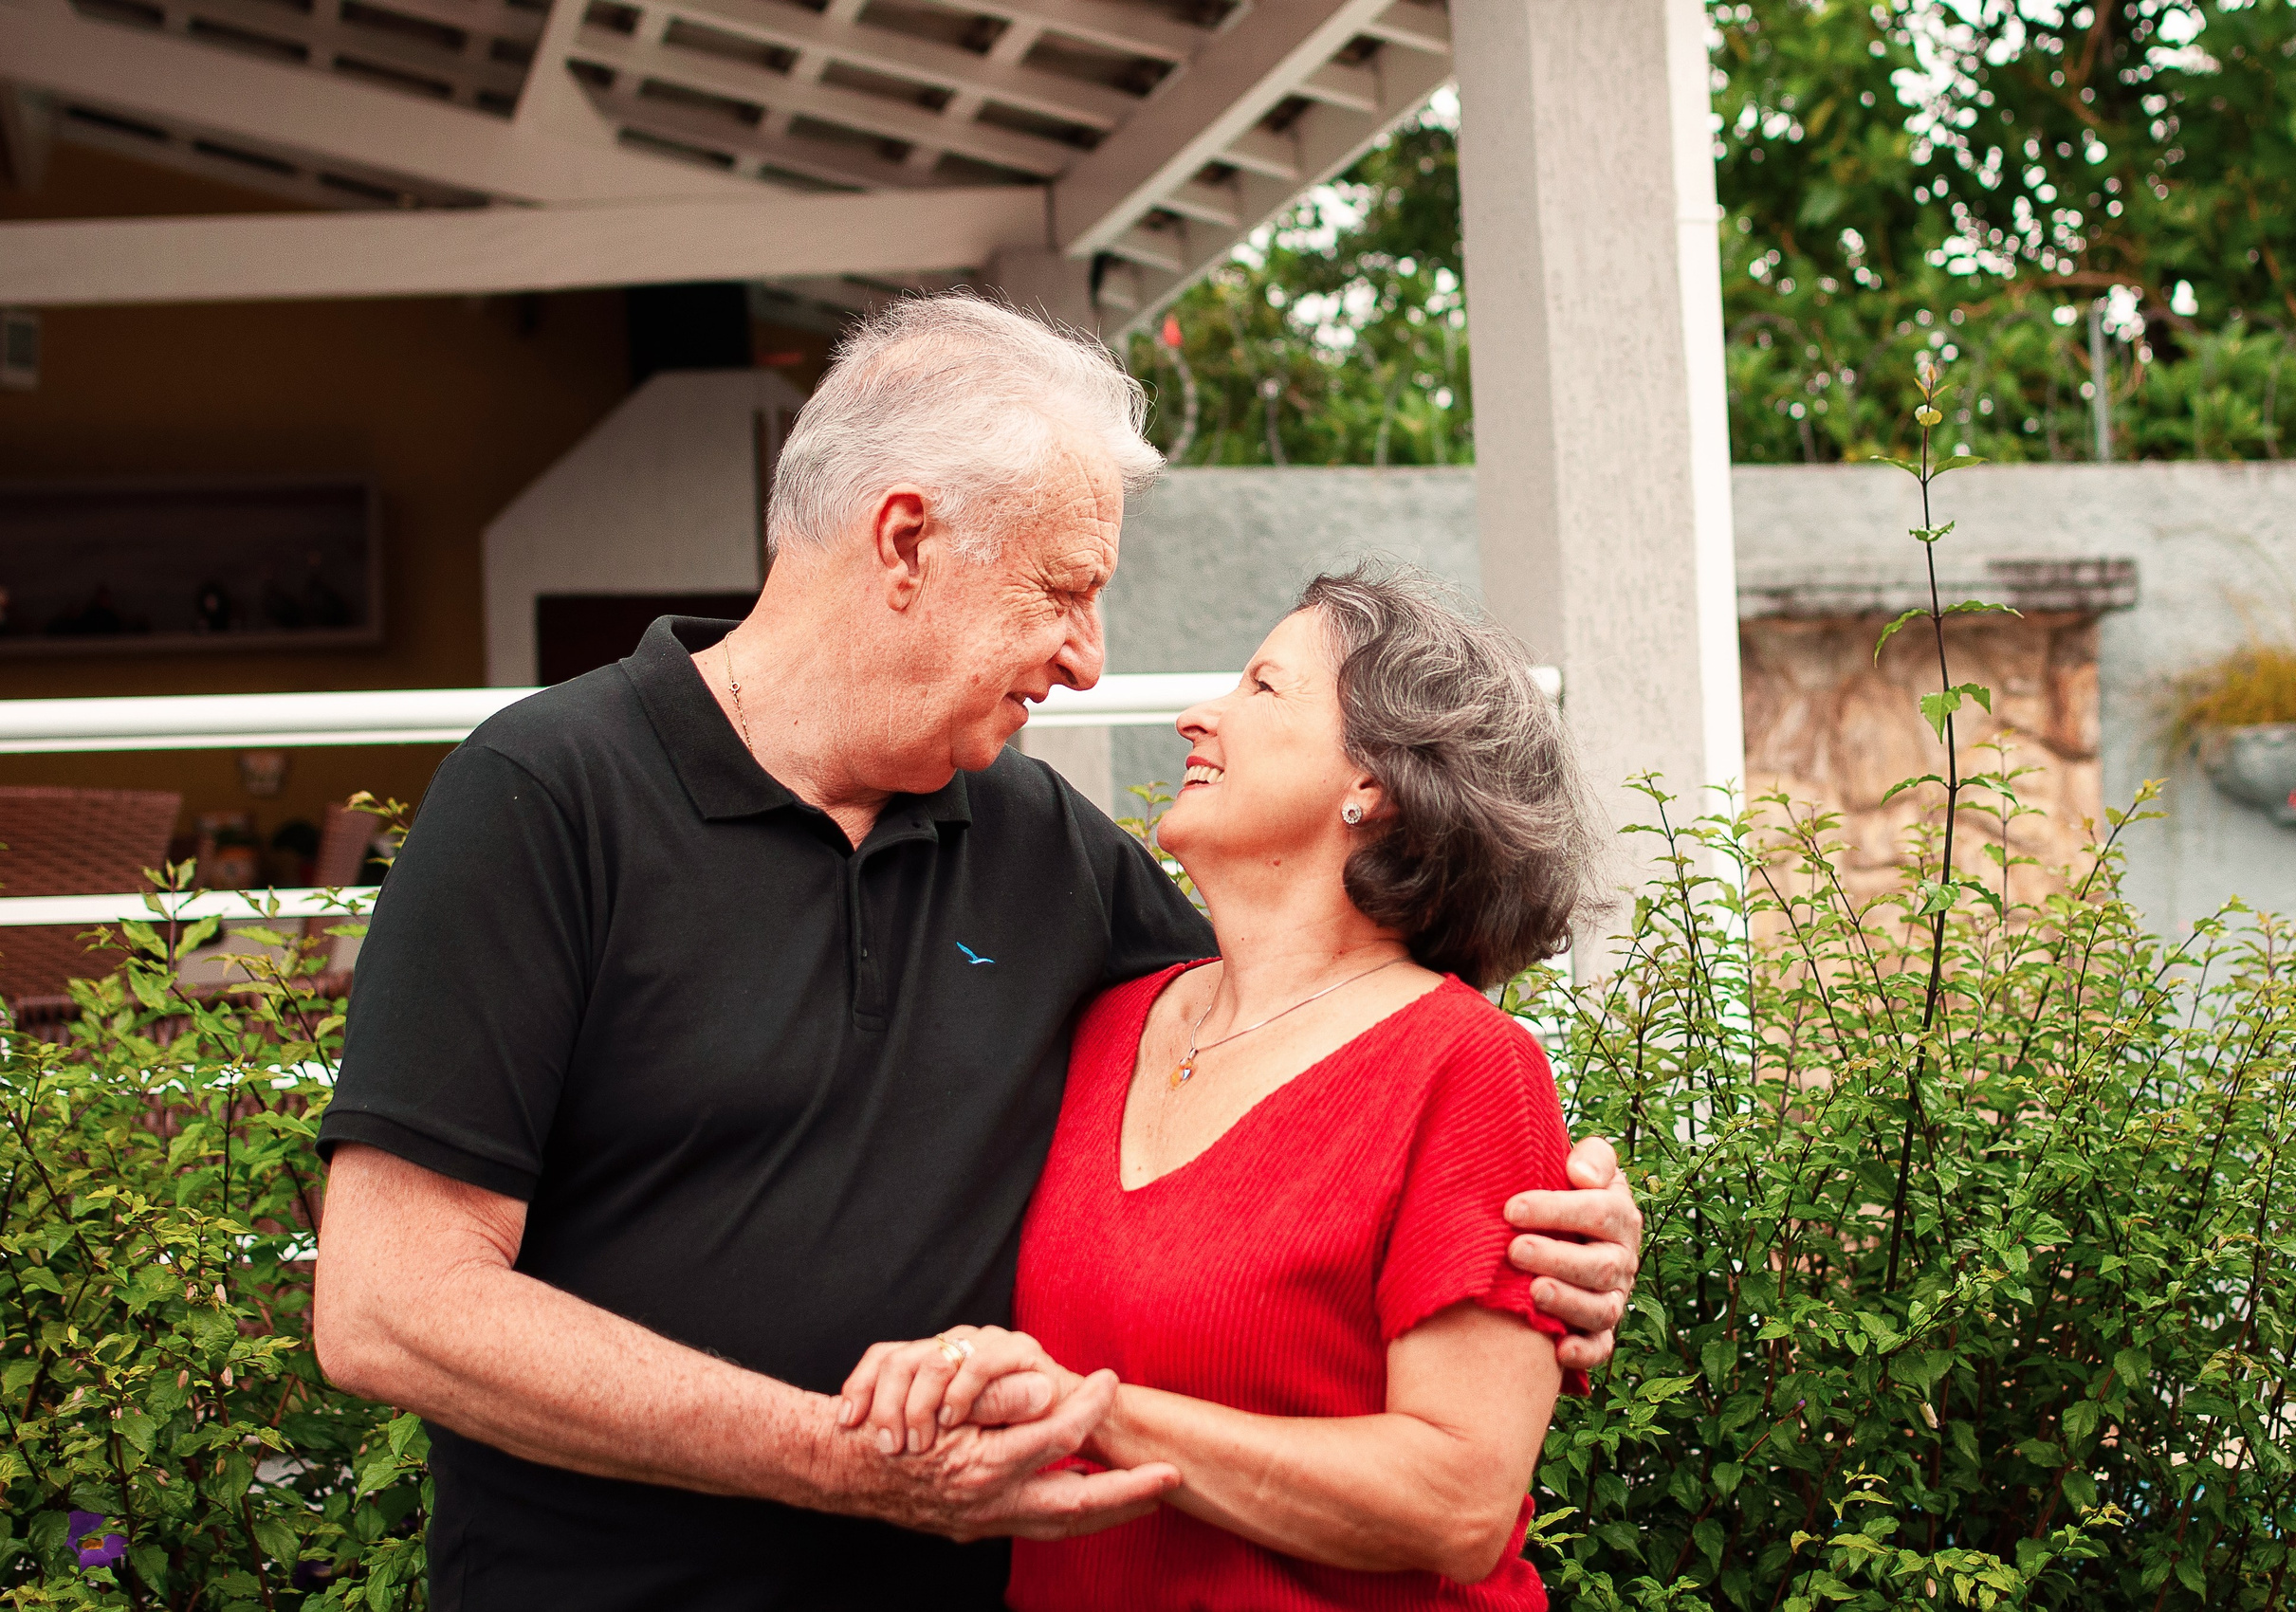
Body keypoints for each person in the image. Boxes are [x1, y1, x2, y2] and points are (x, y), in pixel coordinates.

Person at [310, 295, 1642, 1611]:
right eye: (1064, 591)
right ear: (906, 541)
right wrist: (841, 1461)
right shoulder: (547, 798)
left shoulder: (1043, 845)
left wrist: (1554, 1228)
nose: (1087, 659)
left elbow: (1321, 1044)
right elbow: (391, 1304)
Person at [841, 566, 1595, 1609]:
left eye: (1261, 687)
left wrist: (1086, 1411)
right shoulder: (1108, 1021)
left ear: (1371, 780)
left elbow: (1458, 1504)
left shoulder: (1463, 1065)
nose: (1199, 713)